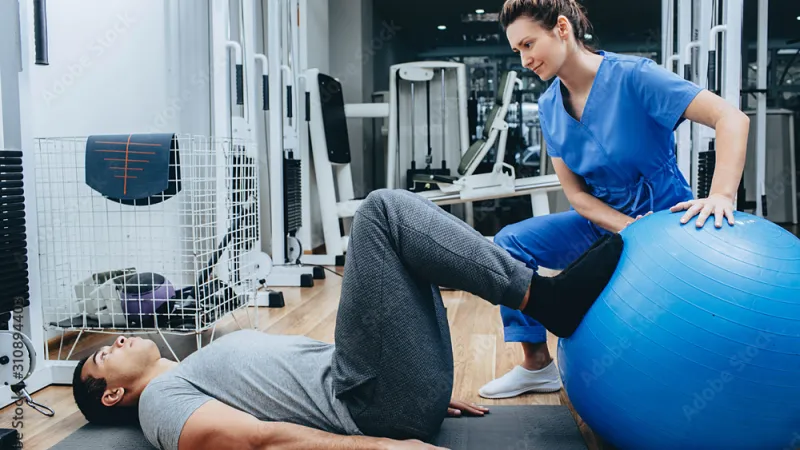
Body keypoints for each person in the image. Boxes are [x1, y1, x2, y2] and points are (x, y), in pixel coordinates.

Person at [72, 189, 625, 450]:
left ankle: (538, 296)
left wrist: (414, 374)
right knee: (381, 212)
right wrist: (384, 447)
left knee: (402, 240)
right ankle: (544, 301)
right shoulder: (163, 405)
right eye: (104, 355)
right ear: (113, 396)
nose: (115, 340)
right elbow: (258, 442)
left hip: (383, 387)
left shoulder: (191, 368)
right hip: (372, 409)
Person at [478, 0, 749, 400]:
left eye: (529, 44)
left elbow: (732, 119)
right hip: (603, 223)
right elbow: (577, 196)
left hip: (665, 221)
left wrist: (721, 196)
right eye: (517, 50)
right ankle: (537, 365)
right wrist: (627, 228)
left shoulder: (634, 77)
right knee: (508, 245)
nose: (524, 59)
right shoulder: (550, 106)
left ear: (563, 29)